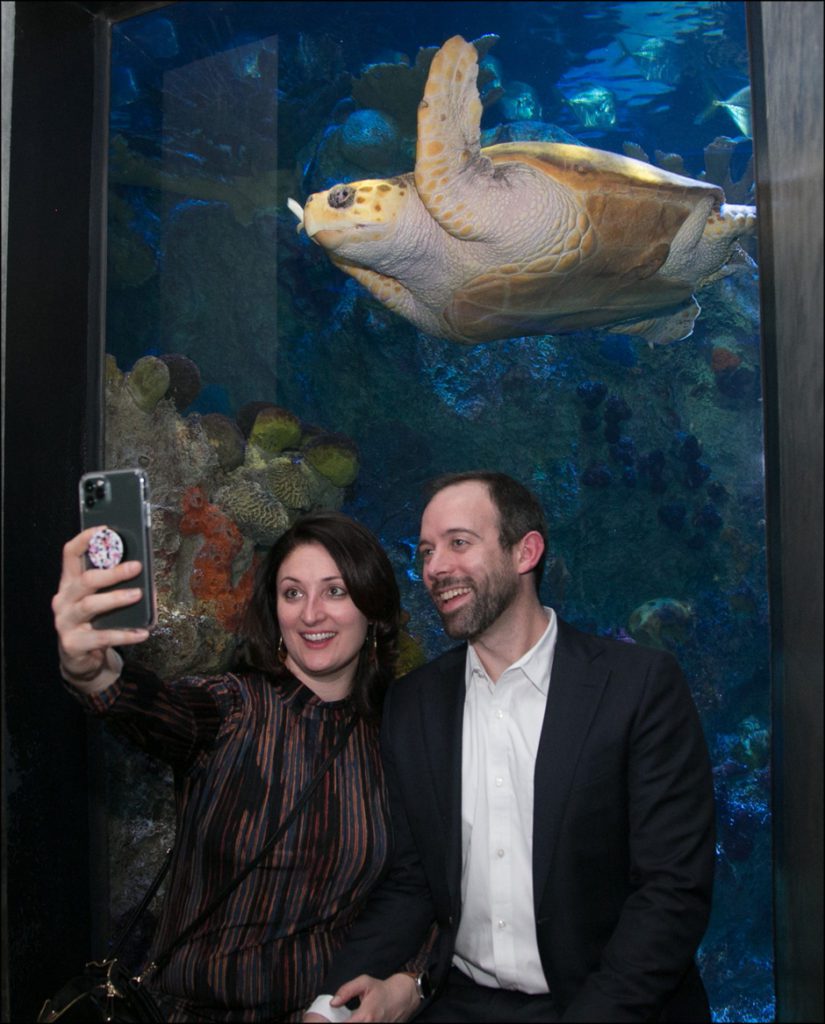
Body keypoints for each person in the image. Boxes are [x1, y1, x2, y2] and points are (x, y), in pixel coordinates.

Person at [305, 471, 716, 1023]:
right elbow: (412, 882)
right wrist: (327, 1005)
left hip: (608, 1003)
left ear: (526, 552)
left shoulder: (639, 686)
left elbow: (673, 890)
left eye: (458, 542)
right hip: (459, 1001)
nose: (435, 568)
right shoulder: (413, 703)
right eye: (426, 551)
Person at [52, 510, 402, 1022]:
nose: (311, 614)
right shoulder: (232, 707)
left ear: (372, 608)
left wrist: (408, 981)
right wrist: (90, 670)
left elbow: (413, 888)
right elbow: (147, 706)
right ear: (274, 610)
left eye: (335, 591)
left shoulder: (392, 740)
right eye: (292, 593)